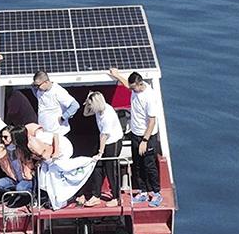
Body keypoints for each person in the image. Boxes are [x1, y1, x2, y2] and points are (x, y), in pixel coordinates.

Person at [109, 67, 163, 206]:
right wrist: (117, 75)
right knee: (137, 165)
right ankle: (143, 192)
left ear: (140, 84)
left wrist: (145, 141)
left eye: (134, 88)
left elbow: (152, 121)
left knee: (149, 165)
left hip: (147, 137)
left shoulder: (149, 97)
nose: (132, 90)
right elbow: (128, 84)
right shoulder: (135, 88)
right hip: (135, 133)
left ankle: (156, 193)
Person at [15, 122, 96, 211]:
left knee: (60, 173)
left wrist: (55, 152)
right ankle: (53, 199)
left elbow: (55, 136)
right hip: (49, 160)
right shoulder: (25, 146)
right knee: (46, 178)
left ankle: (70, 196)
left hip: (62, 150)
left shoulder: (38, 138)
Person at [76, 91, 123, 208]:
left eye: (91, 104)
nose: (90, 107)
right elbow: (86, 114)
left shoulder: (107, 115)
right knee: (97, 167)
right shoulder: (98, 110)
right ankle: (95, 196)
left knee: (110, 170)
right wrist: (87, 103)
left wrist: (100, 153)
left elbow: (104, 136)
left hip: (113, 142)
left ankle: (116, 197)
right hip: (104, 140)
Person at [32, 70, 80, 136]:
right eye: (35, 85)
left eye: (38, 85)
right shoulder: (39, 90)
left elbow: (75, 105)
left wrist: (64, 117)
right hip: (45, 132)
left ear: (46, 82)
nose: (36, 88)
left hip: (58, 133)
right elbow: (36, 92)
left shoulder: (58, 91)